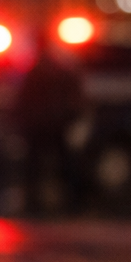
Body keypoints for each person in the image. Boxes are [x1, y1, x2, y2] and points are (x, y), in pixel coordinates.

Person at [15, 32, 87, 210]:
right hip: (51, 125)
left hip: (47, 125)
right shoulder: (54, 69)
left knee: (44, 167)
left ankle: (61, 203)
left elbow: (22, 100)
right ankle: (68, 203)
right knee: (53, 166)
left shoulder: (40, 71)